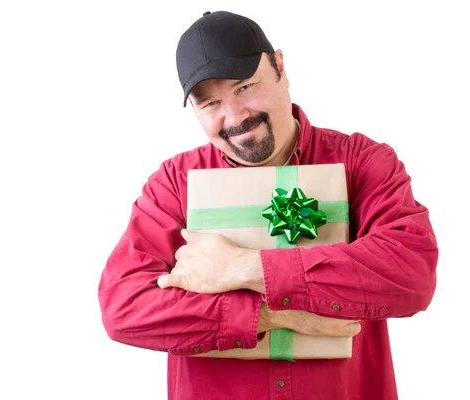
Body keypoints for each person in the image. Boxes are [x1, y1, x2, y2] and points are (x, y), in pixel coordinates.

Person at [98, 10, 438, 400]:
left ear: (280, 66)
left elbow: (411, 273)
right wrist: (272, 315)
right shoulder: (175, 184)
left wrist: (240, 267)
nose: (235, 116)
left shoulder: (361, 163)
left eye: (245, 87)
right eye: (210, 104)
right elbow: (124, 308)